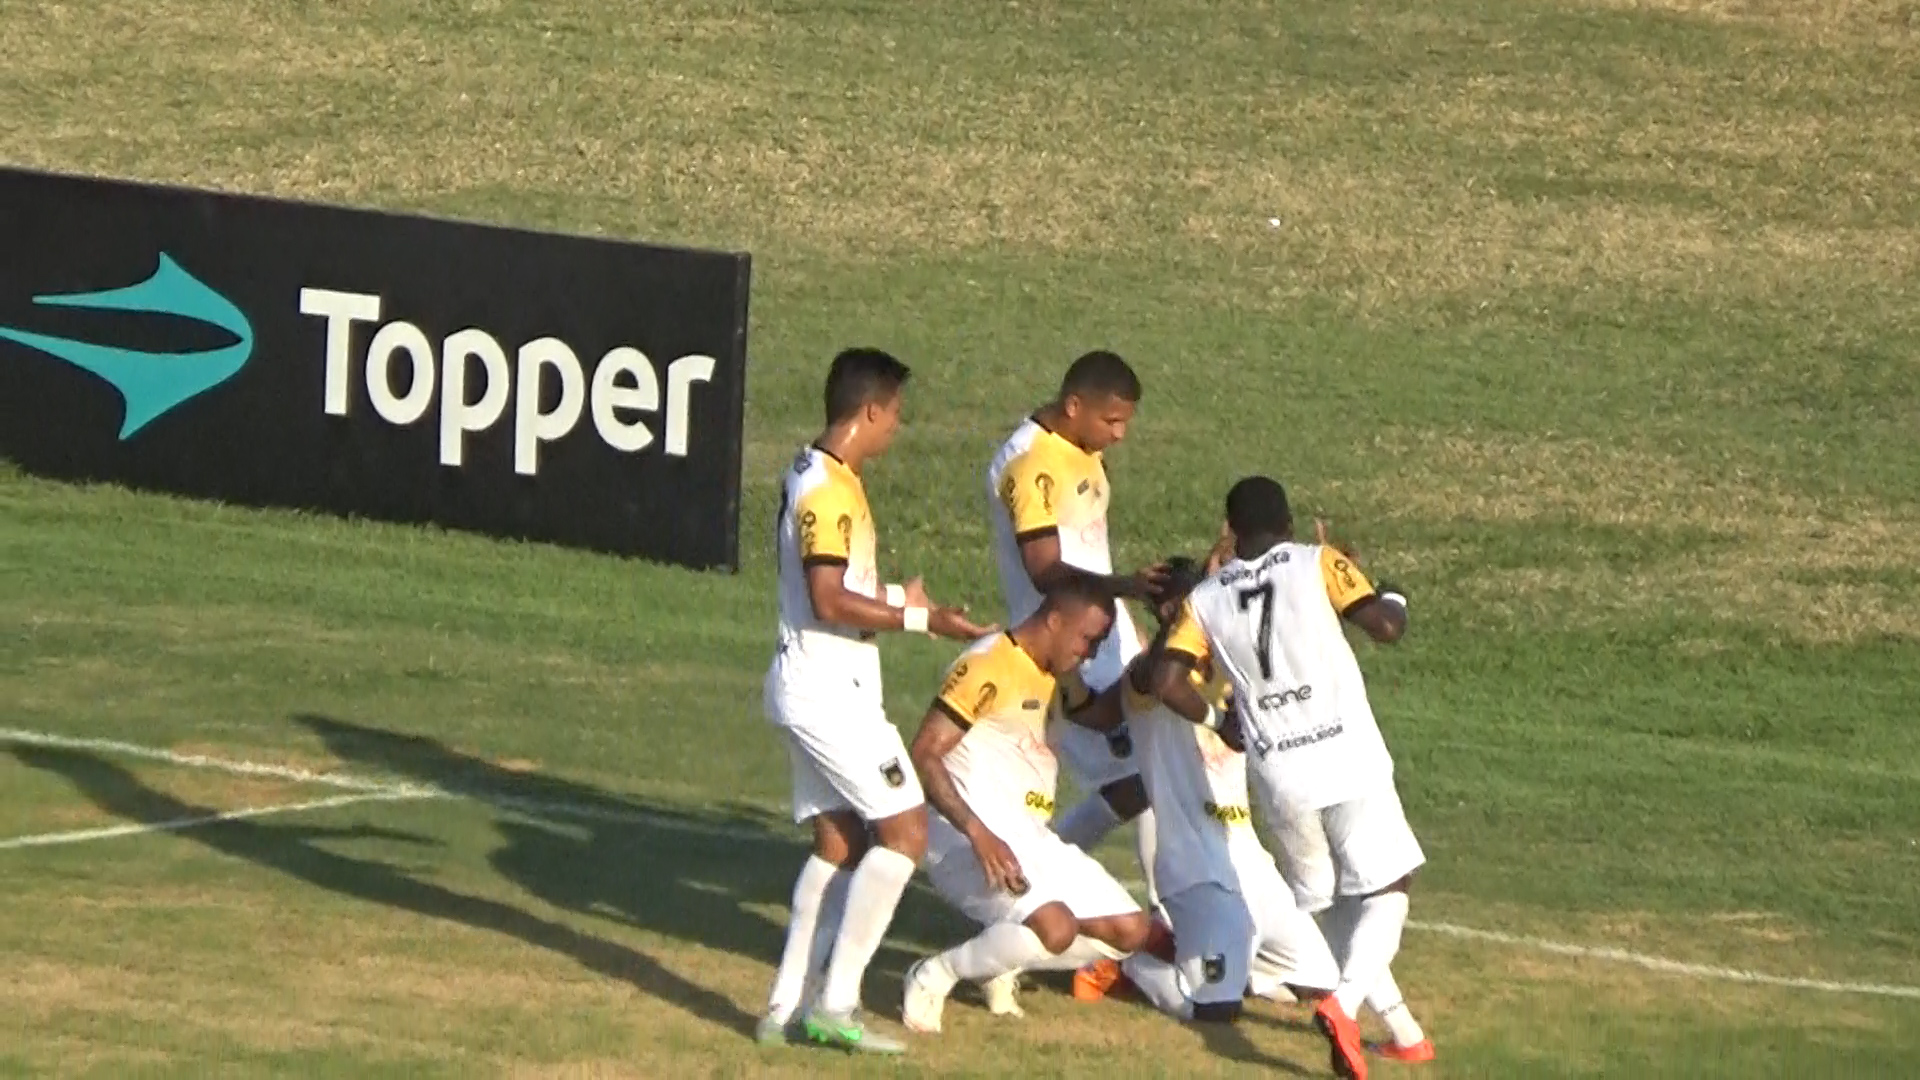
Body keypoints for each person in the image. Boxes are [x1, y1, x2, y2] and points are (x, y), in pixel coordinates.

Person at [1148, 476, 1426, 1080]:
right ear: (1290, 522)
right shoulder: (1317, 562)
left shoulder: (1207, 599)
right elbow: (1384, 627)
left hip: (1279, 774)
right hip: (1347, 757)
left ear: (1232, 528)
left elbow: (1166, 682)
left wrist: (1220, 719)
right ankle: (1344, 1004)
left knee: (1327, 905)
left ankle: (1405, 1034)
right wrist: (1395, 594)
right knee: (1389, 887)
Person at [759, 347, 996, 1054]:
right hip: (831, 691)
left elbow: (827, 592)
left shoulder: (815, 471)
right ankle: (837, 1004)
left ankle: (783, 1005)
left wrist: (901, 598)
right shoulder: (829, 492)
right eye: (895, 413)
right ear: (869, 410)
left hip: (809, 678)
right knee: (906, 832)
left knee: (839, 840)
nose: (898, 426)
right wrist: (924, 620)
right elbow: (830, 599)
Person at [1063, 554, 1343, 1023]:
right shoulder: (1147, 676)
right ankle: (1133, 966)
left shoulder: (1231, 664)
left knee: (1319, 984)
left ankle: (1214, 959)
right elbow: (1136, 690)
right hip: (1197, 868)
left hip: (1251, 863)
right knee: (1212, 1011)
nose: (1180, 618)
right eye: (1170, 611)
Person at [898, 574, 1161, 1035]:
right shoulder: (987, 665)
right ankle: (934, 973)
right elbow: (924, 752)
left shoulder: (1056, 671)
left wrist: (1163, 653)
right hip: (965, 837)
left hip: (1031, 838)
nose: (1090, 652)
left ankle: (1000, 961)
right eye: (1087, 639)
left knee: (1130, 931)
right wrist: (977, 833)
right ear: (1056, 620)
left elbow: (1100, 716)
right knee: (1055, 928)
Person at [984, 350, 1164, 890]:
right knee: (1144, 779)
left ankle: (1166, 924)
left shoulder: (1082, 451)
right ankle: (1029, 888)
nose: (1120, 434)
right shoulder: (1030, 463)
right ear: (1074, 405)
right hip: (1060, 649)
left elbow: (1089, 551)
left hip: (1109, 640)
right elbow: (1045, 571)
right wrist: (1123, 587)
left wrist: (1130, 624)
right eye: (1113, 420)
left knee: (1155, 774)